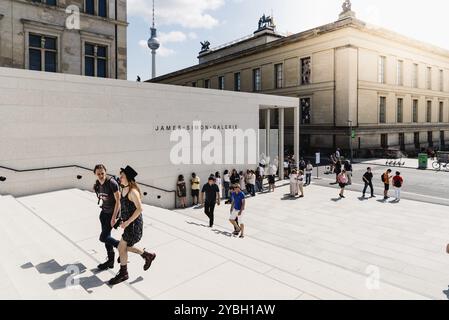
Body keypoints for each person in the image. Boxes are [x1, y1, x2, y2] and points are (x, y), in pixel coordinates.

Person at [108, 166, 156, 286]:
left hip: (134, 226)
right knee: (123, 248)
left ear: (128, 178)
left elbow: (140, 209)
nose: (120, 178)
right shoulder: (124, 189)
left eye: (122, 176)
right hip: (128, 224)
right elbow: (126, 208)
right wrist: (120, 220)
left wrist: (128, 222)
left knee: (121, 248)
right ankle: (147, 255)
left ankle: (124, 273)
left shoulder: (132, 192)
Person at [93, 164, 121, 271]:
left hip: (111, 215)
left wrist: (114, 218)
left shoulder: (112, 183)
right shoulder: (98, 184)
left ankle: (121, 247)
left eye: (102, 173)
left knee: (103, 237)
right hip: (103, 213)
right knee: (106, 238)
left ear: (106, 172)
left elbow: (118, 201)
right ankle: (110, 261)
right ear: (95, 174)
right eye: (98, 174)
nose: (100, 175)